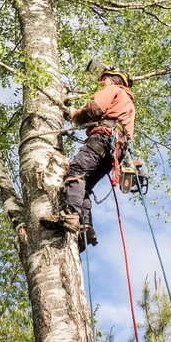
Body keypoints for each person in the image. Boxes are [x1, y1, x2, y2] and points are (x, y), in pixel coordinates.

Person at [41, 68, 135, 252]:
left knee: (76, 172)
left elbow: (93, 108)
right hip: (115, 150)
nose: (101, 83)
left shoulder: (114, 90)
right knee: (83, 186)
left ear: (115, 80)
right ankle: (86, 229)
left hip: (103, 139)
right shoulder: (128, 104)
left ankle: (70, 215)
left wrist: (75, 114)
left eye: (104, 79)